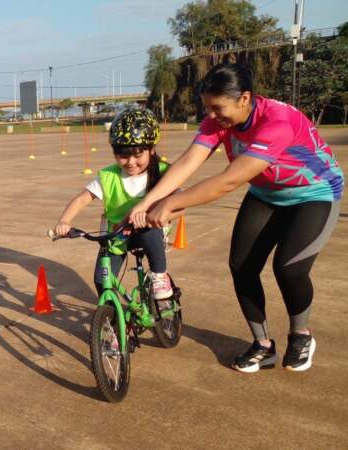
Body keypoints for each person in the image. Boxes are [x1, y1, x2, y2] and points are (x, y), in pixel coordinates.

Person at [128, 63, 344, 373]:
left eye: (217, 108)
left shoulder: (277, 122)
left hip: (314, 194)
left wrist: (173, 202)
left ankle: (301, 335)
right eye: (207, 108)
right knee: (241, 266)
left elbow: (229, 181)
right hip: (266, 194)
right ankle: (262, 345)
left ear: (244, 98)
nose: (211, 116)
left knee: (289, 268)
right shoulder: (217, 121)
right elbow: (190, 160)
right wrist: (150, 201)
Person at [54, 109, 176, 300]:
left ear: (151, 149)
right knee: (102, 280)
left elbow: (178, 201)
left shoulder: (163, 172)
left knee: (149, 231)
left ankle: (160, 276)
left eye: (138, 155)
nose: (130, 162)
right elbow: (81, 199)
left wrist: (162, 214)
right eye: (123, 156)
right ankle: (111, 317)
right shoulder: (108, 176)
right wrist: (64, 221)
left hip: (149, 234)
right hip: (117, 235)